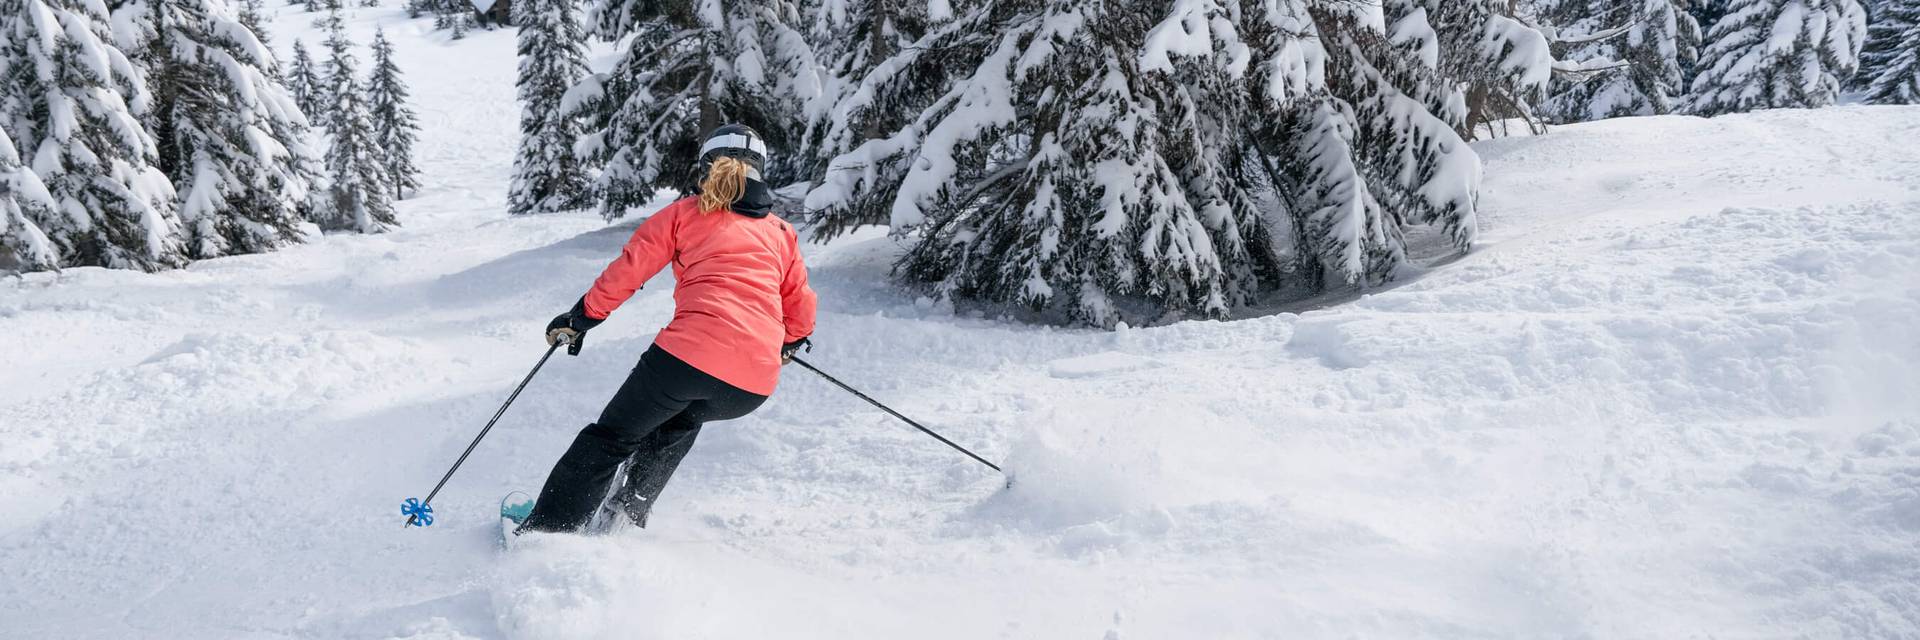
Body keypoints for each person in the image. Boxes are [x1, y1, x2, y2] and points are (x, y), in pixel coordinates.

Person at [518, 124, 817, 534]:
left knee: (609, 439)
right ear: (761, 170)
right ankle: (622, 519)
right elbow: (798, 299)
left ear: (705, 166)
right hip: (751, 385)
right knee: (679, 421)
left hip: (686, 359)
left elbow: (629, 270)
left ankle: (548, 533)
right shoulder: (781, 233)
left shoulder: (685, 214)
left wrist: (582, 318)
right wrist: (792, 341)